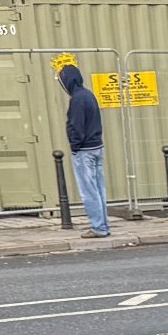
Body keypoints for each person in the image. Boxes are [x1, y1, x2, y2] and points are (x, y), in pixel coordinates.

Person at [58, 63, 109, 238]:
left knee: (88, 191)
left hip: (84, 150)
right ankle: (103, 225)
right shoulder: (88, 95)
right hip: (96, 146)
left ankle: (98, 227)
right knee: (99, 189)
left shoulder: (77, 99)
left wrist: (74, 146)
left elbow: (76, 126)